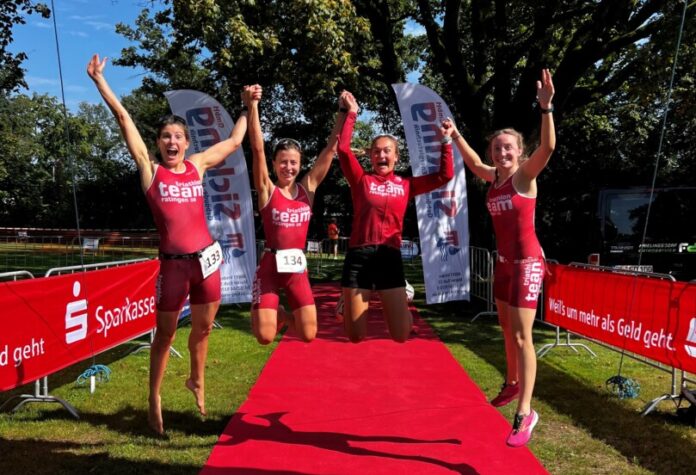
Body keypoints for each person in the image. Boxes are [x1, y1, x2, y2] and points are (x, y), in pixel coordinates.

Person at [87, 54, 253, 435]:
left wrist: (247, 107)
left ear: (187, 142)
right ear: (159, 144)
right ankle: (154, 398)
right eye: (166, 137)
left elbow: (234, 141)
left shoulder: (196, 165)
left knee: (205, 329)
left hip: (207, 263)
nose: (172, 141)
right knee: (164, 335)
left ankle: (197, 379)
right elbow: (124, 119)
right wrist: (99, 81)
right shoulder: (151, 170)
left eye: (178, 136)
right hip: (174, 266)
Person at [444, 69, 555, 447]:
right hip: (504, 265)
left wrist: (546, 109)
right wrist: (457, 135)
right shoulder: (493, 178)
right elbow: (474, 163)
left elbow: (548, 148)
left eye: (508, 148)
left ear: (519, 152)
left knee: (523, 336)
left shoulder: (525, 177)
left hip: (527, 266)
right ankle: (511, 383)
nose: (502, 153)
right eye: (497, 148)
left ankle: (525, 412)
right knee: (506, 329)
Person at [337, 91, 454, 343]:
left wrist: (446, 141)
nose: (381, 156)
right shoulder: (361, 180)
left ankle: (401, 297)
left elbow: (444, 176)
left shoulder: (406, 184)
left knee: (401, 335)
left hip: (389, 257)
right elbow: (343, 150)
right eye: (376, 152)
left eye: (387, 151)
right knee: (355, 335)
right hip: (360, 256)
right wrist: (352, 114)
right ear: (370, 157)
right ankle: (345, 302)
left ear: (396, 157)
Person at [246, 85, 347, 344]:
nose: (288, 167)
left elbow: (330, 150)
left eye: (293, 162)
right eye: (282, 162)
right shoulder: (268, 190)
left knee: (308, 334)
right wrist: (253, 106)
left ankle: (282, 315)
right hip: (270, 265)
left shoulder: (308, 189)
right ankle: (274, 314)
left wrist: (342, 114)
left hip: (296, 268)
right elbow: (257, 150)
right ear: (274, 164)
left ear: (300, 164)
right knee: (265, 337)